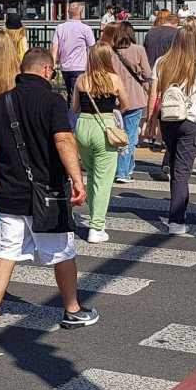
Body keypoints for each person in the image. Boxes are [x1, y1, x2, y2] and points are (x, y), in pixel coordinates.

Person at [0, 47, 98, 346]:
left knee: (7, 253)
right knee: (63, 252)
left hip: (11, 193)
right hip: (48, 195)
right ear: (46, 70)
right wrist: (78, 180)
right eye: (52, 72)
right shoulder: (53, 101)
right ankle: (72, 310)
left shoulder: (2, 102)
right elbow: (64, 139)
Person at [145, 28, 196, 234]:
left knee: (175, 166)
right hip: (191, 119)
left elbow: (154, 93)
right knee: (182, 171)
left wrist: (150, 121)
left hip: (168, 118)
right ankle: (177, 219)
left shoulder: (162, 62)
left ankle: (180, 208)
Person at [69, 43, 135, 244]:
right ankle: (96, 226)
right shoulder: (114, 79)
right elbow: (126, 104)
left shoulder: (82, 79)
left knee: (91, 174)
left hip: (83, 127)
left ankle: (94, 215)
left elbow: (74, 108)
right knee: (103, 179)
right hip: (104, 126)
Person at [108, 22, 150, 185]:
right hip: (134, 98)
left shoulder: (111, 52)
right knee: (130, 135)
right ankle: (123, 171)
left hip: (115, 97)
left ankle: (125, 166)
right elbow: (147, 74)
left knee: (117, 133)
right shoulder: (139, 50)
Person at [51, 2, 96, 98]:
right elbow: (92, 49)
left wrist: (52, 67)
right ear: (81, 12)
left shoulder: (60, 28)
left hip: (65, 67)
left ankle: (70, 111)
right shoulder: (86, 29)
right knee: (75, 96)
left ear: (68, 12)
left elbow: (54, 49)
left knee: (70, 92)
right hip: (80, 67)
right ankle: (72, 113)